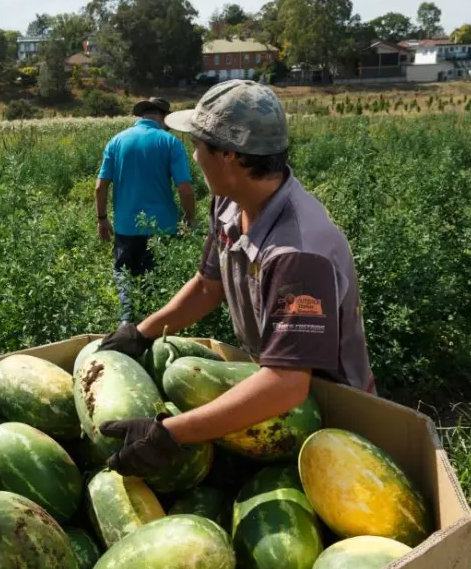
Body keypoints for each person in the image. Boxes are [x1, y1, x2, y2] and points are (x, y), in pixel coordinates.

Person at [95, 80, 376, 478]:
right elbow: (210, 285)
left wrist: (169, 434)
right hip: (267, 387)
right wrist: (142, 332)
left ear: (228, 154)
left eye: (199, 145)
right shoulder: (229, 200)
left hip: (323, 408)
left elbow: (289, 383)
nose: (193, 156)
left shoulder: (297, 252)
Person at [96, 96, 196, 323]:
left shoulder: (117, 141)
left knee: (125, 280)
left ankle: (126, 325)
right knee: (158, 285)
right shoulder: (170, 142)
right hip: (163, 228)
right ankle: (157, 331)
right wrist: (189, 218)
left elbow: (100, 187)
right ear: (163, 117)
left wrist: (102, 218)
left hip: (125, 227)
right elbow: (185, 189)